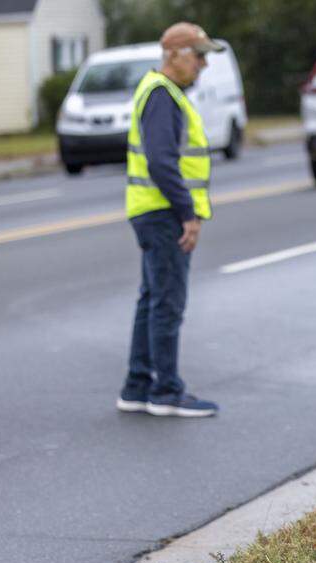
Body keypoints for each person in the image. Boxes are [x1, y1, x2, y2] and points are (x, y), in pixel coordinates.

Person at [116, 22, 223, 418]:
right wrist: (188, 214)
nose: (203, 65)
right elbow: (162, 162)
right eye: (199, 56)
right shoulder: (163, 96)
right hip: (163, 214)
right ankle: (166, 392)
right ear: (175, 54)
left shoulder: (160, 92)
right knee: (167, 303)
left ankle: (137, 387)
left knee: (152, 299)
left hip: (150, 211)